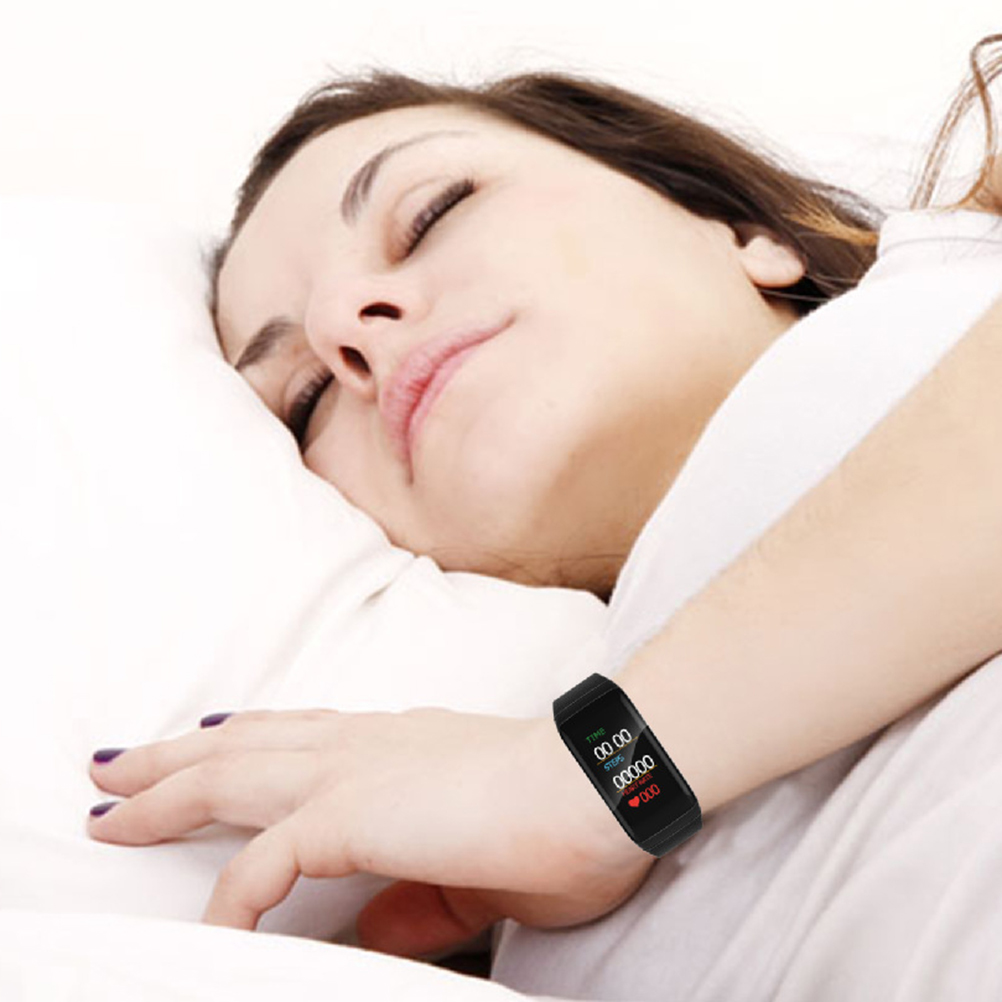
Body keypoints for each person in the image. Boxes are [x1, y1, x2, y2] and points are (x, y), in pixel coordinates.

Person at [86, 35, 1002, 971]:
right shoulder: (525, 879)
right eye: (307, 399)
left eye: (433, 212)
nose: (342, 324)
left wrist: (597, 775)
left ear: (737, 228)